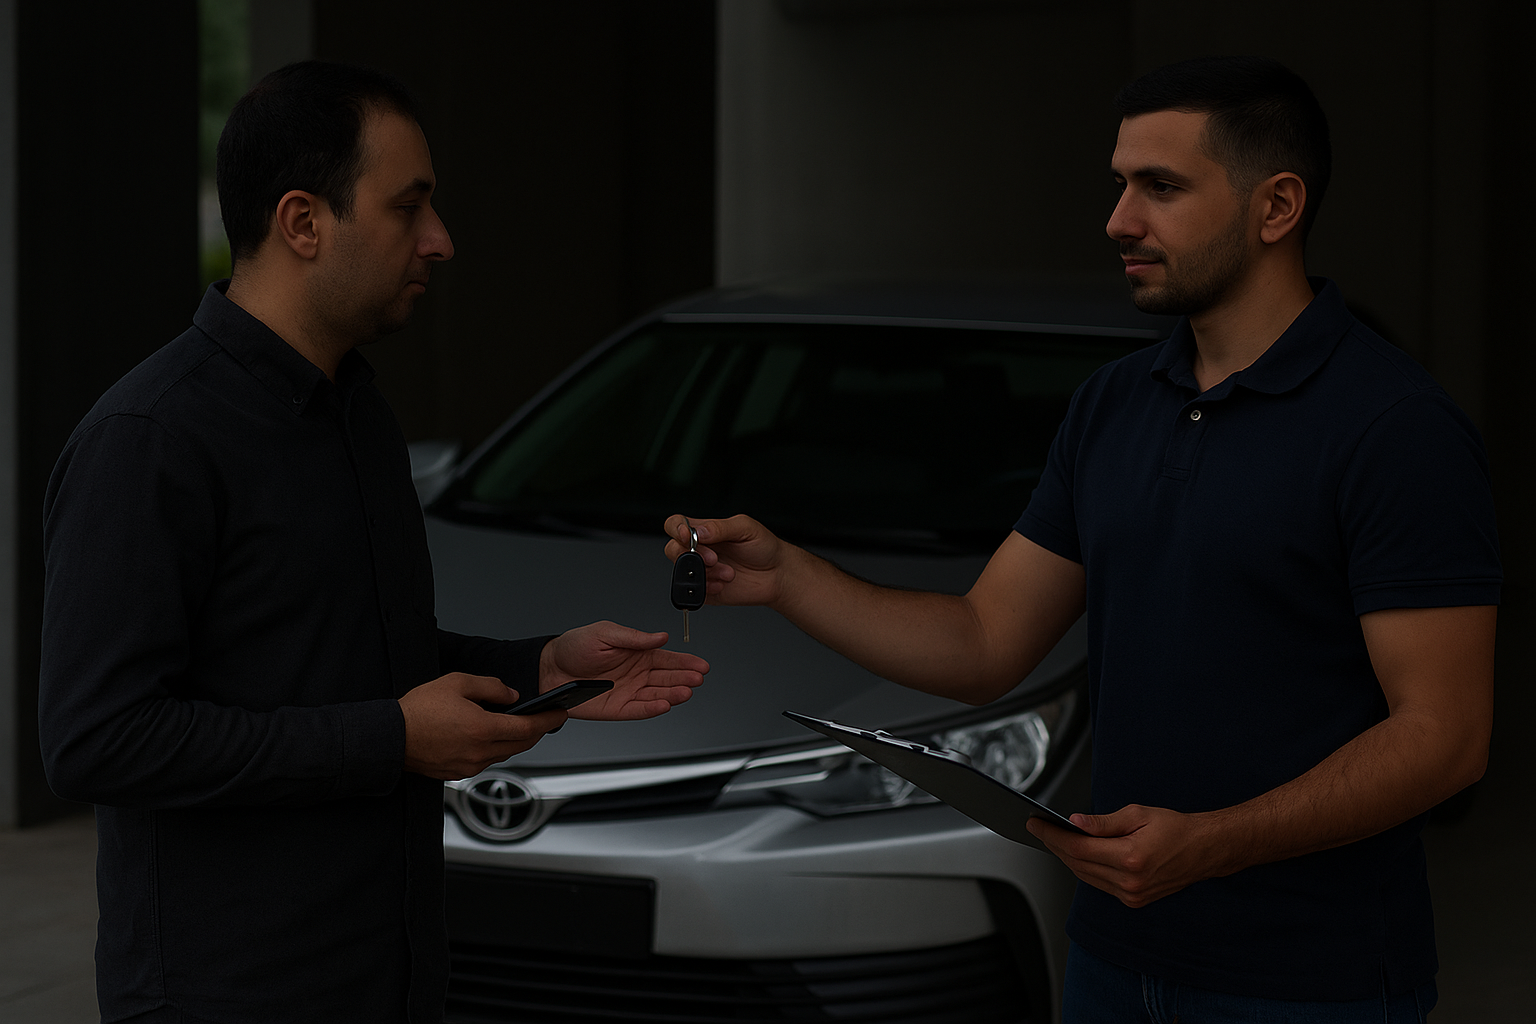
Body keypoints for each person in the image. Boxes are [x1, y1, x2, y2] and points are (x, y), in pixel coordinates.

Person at [664, 56, 1498, 1022]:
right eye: (1120, 184)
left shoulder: (1395, 427)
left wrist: (1214, 843)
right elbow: (985, 643)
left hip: (1312, 982)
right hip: (1112, 959)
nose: (1118, 221)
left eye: (1161, 186)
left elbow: (1446, 739)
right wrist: (788, 577)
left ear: (1277, 208)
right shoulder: (1113, 405)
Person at [39, 61, 708, 1024]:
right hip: (225, 994)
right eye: (409, 207)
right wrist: (393, 739)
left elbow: (340, 657)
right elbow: (98, 739)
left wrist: (539, 666)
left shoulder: (358, 412)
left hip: (384, 978)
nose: (441, 241)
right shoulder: (149, 439)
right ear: (303, 222)